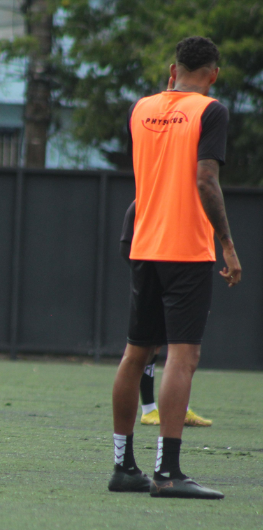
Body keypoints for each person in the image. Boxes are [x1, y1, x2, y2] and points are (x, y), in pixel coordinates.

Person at [108, 36, 241, 499]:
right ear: (213, 74)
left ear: (172, 69)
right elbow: (205, 178)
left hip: (144, 244)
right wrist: (227, 244)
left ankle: (124, 465)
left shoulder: (140, 109)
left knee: (135, 353)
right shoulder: (211, 110)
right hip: (186, 248)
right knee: (182, 357)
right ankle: (168, 473)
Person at [119, 201, 213, 427]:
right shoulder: (145, 200)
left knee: (184, 349)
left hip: (182, 281)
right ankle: (149, 408)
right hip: (156, 282)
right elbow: (125, 245)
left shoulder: (188, 202)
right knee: (150, 346)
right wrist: (145, 279)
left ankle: (182, 408)